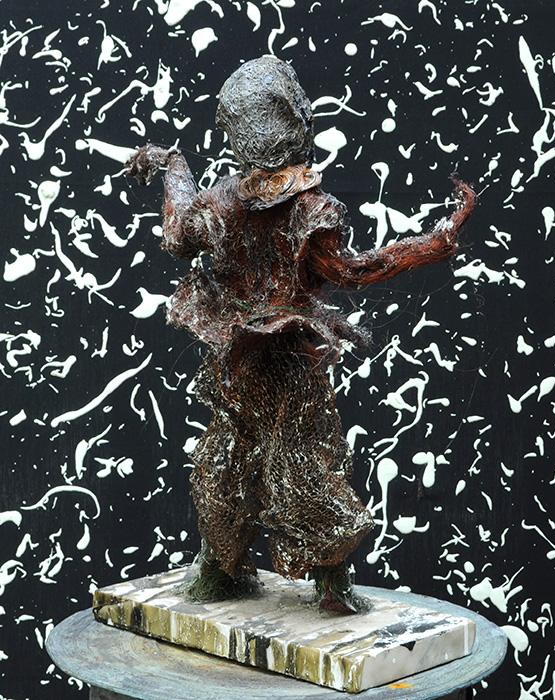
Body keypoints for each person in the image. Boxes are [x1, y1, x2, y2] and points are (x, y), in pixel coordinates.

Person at [126, 55, 475, 614]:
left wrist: (172, 164)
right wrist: (429, 245)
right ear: (297, 122)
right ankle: (330, 587)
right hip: (288, 362)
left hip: (237, 361)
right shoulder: (310, 208)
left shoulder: (221, 200)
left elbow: (178, 233)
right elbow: (351, 271)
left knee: (227, 458)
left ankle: (217, 572)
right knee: (305, 463)